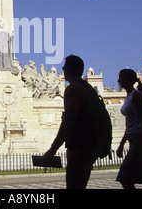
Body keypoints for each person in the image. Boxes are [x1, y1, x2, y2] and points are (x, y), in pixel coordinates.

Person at [43, 55, 101, 189]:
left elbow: (68, 123)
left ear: (69, 69)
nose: (62, 68)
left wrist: (53, 149)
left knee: (74, 185)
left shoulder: (73, 89)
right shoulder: (88, 88)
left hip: (80, 145)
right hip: (90, 144)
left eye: (64, 66)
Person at [116, 69, 142, 189]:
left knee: (125, 177)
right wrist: (122, 144)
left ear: (128, 80)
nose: (118, 80)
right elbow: (129, 124)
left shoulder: (136, 95)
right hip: (135, 139)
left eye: (121, 77)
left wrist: (139, 143)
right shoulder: (128, 96)